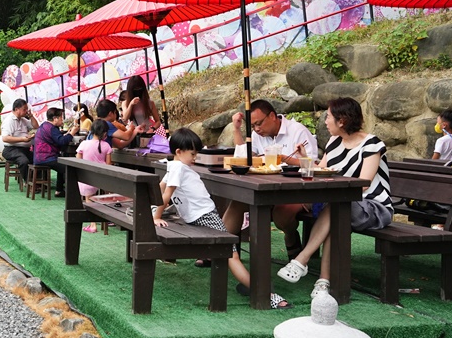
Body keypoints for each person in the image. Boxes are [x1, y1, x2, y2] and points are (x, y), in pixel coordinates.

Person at [155, 128, 291, 309]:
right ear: (179, 152)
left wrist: (152, 211)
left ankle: (251, 285)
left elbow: (159, 189)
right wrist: (156, 216)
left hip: (197, 218)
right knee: (231, 255)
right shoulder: (179, 168)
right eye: (193, 154)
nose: (195, 158)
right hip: (205, 217)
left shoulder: (172, 166)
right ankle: (266, 293)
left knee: (227, 245)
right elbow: (166, 194)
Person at [277, 97, 392, 299]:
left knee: (337, 207)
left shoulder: (372, 144)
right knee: (337, 212)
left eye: (328, 117)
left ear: (342, 120)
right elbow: (321, 171)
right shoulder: (333, 142)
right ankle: (323, 282)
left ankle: (302, 259)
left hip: (374, 206)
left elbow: (364, 183)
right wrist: (305, 158)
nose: (325, 122)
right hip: (342, 205)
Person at [220, 99, 319, 260]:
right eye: (253, 126)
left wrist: (284, 158)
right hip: (267, 188)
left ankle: (290, 236)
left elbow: (313, 165)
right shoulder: (258, 135)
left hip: (298, 190)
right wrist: (237, 130)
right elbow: (244, 156)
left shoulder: (297, 131)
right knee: (238, 202)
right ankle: (219, 250)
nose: (257, 129)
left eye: (259, 123)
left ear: (272, 116)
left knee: (281, 214)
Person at [33, 107, 80, 198]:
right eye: (61, 118)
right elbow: (61, 141)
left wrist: (67, 134)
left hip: (39, 157)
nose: (62, 120)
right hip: (47, 157)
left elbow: (58, 138)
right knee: (68, 167)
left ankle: (59, 190)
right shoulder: (52, 128)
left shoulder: (44, 126)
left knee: (63, 162)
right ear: (55, 119)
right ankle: (72, 193)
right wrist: (72, 133)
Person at [76, 119, 113, 232]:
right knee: (107, 193)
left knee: (89, 198)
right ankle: (109, 217)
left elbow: (78, 160)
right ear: (105, 133)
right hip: (102, 179)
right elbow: (108, 165)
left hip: (87, 178)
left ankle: (93, 224)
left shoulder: (84, 144)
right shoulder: (106, 146)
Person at [1, 98, 38, 182]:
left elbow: (36, 127)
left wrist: (31, 116)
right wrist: (22, 139)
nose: (26, 111)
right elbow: (5, 138)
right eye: (24, 109)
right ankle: (28, 182)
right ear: (16, 109)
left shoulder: (23, 120)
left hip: (24, 149)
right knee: (24, 161)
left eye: (26, 109)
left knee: (38, 159)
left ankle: (37, 181)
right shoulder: (9, 121)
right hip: (11, 149)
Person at [119, 76, 160, 144]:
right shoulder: (125, 103)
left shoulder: (149, 103)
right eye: (135, 90)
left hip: (146, 134)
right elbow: (125, 118)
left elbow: (158, 121)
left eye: (140, 89)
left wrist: (152, 129)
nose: (138, 91)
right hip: (133, 135)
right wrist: (131, 104)